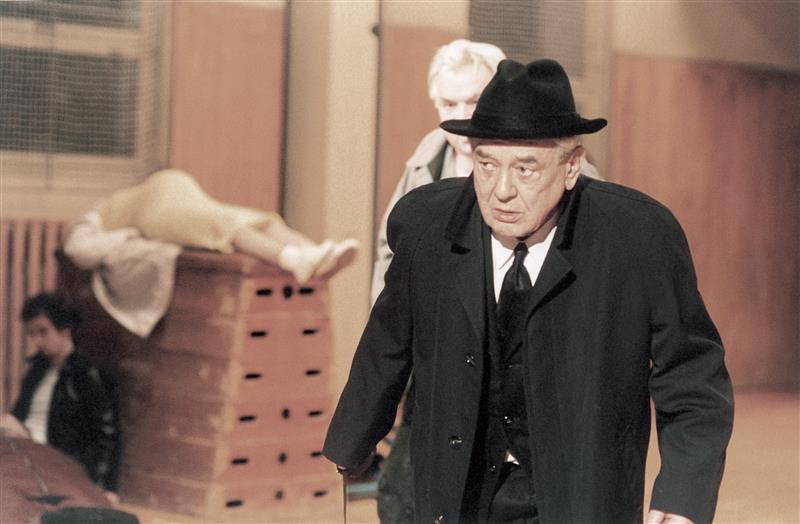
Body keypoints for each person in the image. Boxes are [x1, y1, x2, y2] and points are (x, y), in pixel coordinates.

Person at [325, 59, 733, 524]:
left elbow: (692, 375)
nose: (501, 190)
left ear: (572, 166)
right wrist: (352, 442)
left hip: (580, 493)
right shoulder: (427, 226)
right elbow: (387, 343)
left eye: (525, 169)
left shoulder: (638, 238)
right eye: (486, 164)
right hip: (458, 491)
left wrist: (683, 494)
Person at [371, 40, 603, 523]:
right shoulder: (425, 162)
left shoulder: (567, 172)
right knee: (406, 491)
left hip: (524, 363)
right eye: (448, 103)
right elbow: (392, 255)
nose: (460, 114)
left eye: (473, 100)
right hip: (441, 356)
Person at [64, 168, 359, 337]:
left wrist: (125, 234)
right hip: (166, 191)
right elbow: (80, 250)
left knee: (224, 225)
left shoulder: (92, 217)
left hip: (159, 201)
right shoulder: (100, 213)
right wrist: (126, 233)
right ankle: (311, 253)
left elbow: (79, 249)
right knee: (242, 220)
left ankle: (305, 257)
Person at [1, 292, 122, 505]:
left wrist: (105, 486)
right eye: (32, 334)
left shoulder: (89, 375)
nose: (37, 340)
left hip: (57, 460)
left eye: (43, 332)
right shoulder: (37, 370)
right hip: (26, 450)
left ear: (65, 330)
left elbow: (108, 435)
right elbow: (19, 413)